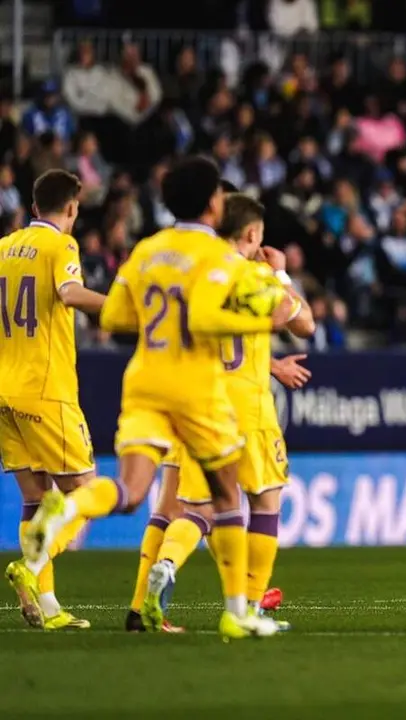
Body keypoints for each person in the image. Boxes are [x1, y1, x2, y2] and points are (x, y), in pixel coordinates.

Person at [22, 157, 295, 641]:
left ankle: (68, 509)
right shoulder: (218, 257)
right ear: (214, 203)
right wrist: (272, 295)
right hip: (196, 385)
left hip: (145, 378)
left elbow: (115, 318)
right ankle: (237, 610)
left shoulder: (148, 250)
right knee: (228, 495)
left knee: (129, 491)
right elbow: (235, 315)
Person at [126, 193, 315, 633]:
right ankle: (246, 609)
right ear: (251, 235)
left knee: (195, 511)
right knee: (265, 503)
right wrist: (280, 272)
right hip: (250, 407)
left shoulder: (193, 277)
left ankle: (166, 565)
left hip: (203, 406)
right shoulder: (254, 275)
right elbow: (302, 322)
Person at [1, 170, 107, 630]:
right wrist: (122, 305)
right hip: (46, 390)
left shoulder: (4, 248)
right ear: (70, 208)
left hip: (4, 391)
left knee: (35, 497)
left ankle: (45, 605)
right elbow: (69, 292)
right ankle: (29, 565)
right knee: (87, 492)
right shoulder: (61, 246)